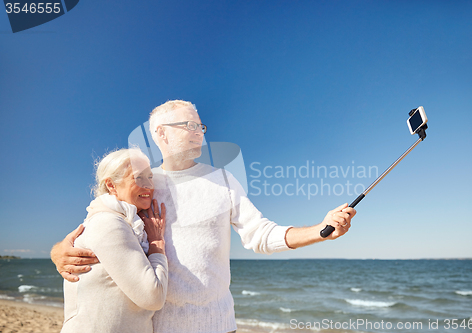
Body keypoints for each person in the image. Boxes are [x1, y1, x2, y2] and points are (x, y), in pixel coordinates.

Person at [52, 100, 356, 333]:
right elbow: (102, 222)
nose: (199, 133)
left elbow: (260, 235)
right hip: (159, 326)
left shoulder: (223, 180)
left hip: (218, 324)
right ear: (160, 134)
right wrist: (58, 251)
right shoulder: (144, 184)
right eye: (189, 126)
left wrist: (321, 229)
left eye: (201, 127)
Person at [59, 148, 168, 333]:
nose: (149, 185)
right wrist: (157, 243)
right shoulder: (108, 222)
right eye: (138, 177)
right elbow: (153, 297)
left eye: (150, 177)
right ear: (111, 185)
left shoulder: (128, 223)